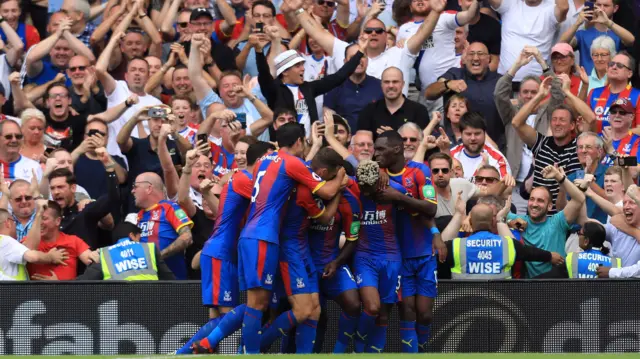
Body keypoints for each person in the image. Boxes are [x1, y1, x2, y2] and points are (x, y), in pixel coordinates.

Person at [196, 123, 345, 354]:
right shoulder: (291, 163)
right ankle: (246, 353)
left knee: (267, 305)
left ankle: (223, 345)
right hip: (264, 238)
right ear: (298, 141)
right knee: (258, 304)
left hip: (252, 237)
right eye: (304, 142)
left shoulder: (266, 161)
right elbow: (325, 192)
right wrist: (341, 180)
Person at [177, 142, 274, 355]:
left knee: (218, 316)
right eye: (271, 158)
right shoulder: (245, 179)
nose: (274, 164)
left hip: (222, 251)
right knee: (246, 307)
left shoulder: (241, 180)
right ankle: (182, 352)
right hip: (221, 253)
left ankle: (188, 352)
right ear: (261, 159)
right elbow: (270, 200)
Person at [352, 159, 437, 353]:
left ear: (379, 182)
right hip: (364, 256)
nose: (365, 192)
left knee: (383, 314)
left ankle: (373, 354)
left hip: (392, 258)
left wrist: (435, 233)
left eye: (369, 188)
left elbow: (422, 211)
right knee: (372, 307)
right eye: (362, 187)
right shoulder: (351, 186)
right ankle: (357, 347)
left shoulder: (395, 190)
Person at [373, 131, 443, 353]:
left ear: (396, 149)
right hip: (397, 255)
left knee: (425, 312)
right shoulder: (377, 172)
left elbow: (431, 208)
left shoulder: (420, 171)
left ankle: (421, 347)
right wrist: (375, 170)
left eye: (380, 149)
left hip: (423, 251)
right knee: (407, 310)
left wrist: (399, 197)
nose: (376, 154)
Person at [288, 0, 445, 96]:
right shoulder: (347, 50)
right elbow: (318, 32)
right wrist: (298, 10)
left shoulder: (399, 53)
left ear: (386, 35)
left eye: (379, 31)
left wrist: (436, 12)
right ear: (361, 35)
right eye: (369, 31)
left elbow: (422, 33)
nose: (373, 34)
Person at [256, 35, 365, 135]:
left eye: (302, 65)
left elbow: (338, 77)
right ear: (285, 72)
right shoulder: (274, 90)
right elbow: (264, 75)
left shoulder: (308, 88)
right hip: (285, 147)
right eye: (297, 66)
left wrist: (360, 53)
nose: (303, 68)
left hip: (311, 144)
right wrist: (259, 52)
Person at [442, 199, 563, 279]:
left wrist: (458, 214)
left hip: (463, 304)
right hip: (500, 307)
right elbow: (530, 252)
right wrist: (549, 256)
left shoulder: (455, 246)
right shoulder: (508, 245)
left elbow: (438, 249)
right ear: (492, 221)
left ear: (471, 222)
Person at [511, 78, 582, 215]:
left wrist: (567, 92)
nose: (557, 123)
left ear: (572, 125)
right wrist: (539, 96)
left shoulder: (578, 147)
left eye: (562, 120)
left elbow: (590, 119)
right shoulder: (541, 143)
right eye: (554, 120)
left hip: (563, 218)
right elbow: (517, 123)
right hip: (536, 216)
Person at [506, 165, 586, 278]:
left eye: (540, 201)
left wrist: (559, 177)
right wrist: (509, 222)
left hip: (556, 286)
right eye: (532, 199)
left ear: (549, 206)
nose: (534, 204)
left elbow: (579, 199)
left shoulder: (558, 222)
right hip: (529, 288)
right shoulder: (519, 221)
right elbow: (492, 213)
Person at [95, 34, 163, 157]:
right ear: (126, 76)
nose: (137, 74)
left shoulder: (157, 104)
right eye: (133, 70)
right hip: (117, 158)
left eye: (142, 71)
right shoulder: (118, 88)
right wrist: (113, 40)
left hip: (143, 160)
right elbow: (99, 70)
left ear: (148, 76)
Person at [425, 42, 502, 148]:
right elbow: (429, 93)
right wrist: (447, 84)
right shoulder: (454, 74)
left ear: (489, 59)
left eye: (480, 54)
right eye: (471, 54)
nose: (475, 58)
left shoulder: (500, 81)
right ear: (464, 59)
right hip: (456, 146)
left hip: (492, 146)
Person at [47, 149, 120, 249]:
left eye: (60, 187)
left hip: (87, 263)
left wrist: (109, 168)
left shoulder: (85, 210)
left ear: (73, 188)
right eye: (52, 188)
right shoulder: (49, 217)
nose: (56, 192)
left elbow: (113, 198)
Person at [488, 0, 569, 83]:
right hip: (506, 81)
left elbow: (564, 7)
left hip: (538, 83)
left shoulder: (550, 7)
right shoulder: (510, 3)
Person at [133, 172, 194, 280]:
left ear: (149, 188)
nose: (132, 191)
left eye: (135, 186)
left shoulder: (169, 208)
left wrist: (158, 256)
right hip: (146, 281)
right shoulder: (139, 215)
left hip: (172, 282)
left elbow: (187, 238)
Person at [75, 222, 176, 280]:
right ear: (132, 235)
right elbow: (169, 279)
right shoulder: (149, 248)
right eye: (139, 238)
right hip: (150, 306)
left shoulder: (104, 254)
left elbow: (84, 282)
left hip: (120, 308)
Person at [25, 200, 97, 280]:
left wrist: (59, 284)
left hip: (69, 291)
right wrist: (38, 214)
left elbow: (93, 262)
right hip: (35, 291)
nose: (39, 223)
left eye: (44, 218)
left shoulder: (73, 241)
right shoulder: (29, 241)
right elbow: (27, 252)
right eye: (37, 219)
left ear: (58, 221)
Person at [559, 0, 634, 74]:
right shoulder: (583, 34)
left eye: (606, 5)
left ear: (615, 8)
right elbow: (561, 45)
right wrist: (577, 23)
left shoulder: (618, 34)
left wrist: (608, 22)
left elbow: (631, 41)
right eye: (598, 5)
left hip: (612, 81)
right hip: (588, 83)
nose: (601, 9)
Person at [324, 44, 384, 131]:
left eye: (362, 56)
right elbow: (328, 117)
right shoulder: (334, 86)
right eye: (353, 57)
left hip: (372, 141)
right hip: (343, 141)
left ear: (367, 60)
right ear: (345, 62)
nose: (358, 60)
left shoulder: (380, 86)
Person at [357, 67, 430, 137]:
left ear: (403, 84)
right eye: (386, 82)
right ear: (381, 85)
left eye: (395, 82)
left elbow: (421, 142)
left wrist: (393, 135)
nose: (391, 86)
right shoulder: (369, 111)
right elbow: (363, 142)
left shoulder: (419, 111)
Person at [24, 15, 95, 85]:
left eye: (66, 49)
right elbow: (30, 58)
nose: (61, 52)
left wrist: (66, 33)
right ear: (50, 51)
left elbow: (91, 59)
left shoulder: (78, 71)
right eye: (57, 48)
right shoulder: (40, 69)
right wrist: (58, 33)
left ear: (74, 52)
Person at [0, 207, 68, 280]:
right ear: (8, 223)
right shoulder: (6, 241)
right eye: (14, 222)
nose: (15, 226)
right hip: (12, 291)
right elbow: (33, 257)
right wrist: (50, 257)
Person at [558, 132, 609, 224]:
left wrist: (589, 178)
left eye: (588, 147)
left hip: (602, 232)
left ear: (599, 152)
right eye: (580, 147)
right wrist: (562, 184)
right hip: (576, 232)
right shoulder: (571, 177)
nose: (583, 151)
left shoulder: (609, 173)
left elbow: (613, 201)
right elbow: (561, 210)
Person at [544, 220, 621, 278]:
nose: (578, 236)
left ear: (586, 241)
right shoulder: (616, 263)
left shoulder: (572, 259)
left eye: (579, 233)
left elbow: (547, 279)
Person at [449, 112, 510, 181]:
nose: (473, 138)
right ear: (461, 134)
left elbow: (507, 188)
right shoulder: (451, 155)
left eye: (477, 133)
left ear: (484, 133)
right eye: (468, 134)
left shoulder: (498, 159)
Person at [587, 51, 640, 130]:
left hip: (626, 142)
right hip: (596, 141)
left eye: (620, 65)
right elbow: (586, 125)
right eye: (611, 64)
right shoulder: (594, 93)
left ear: (629, 73)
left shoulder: (638, 96)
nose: (614, 67)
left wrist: (618, 134)